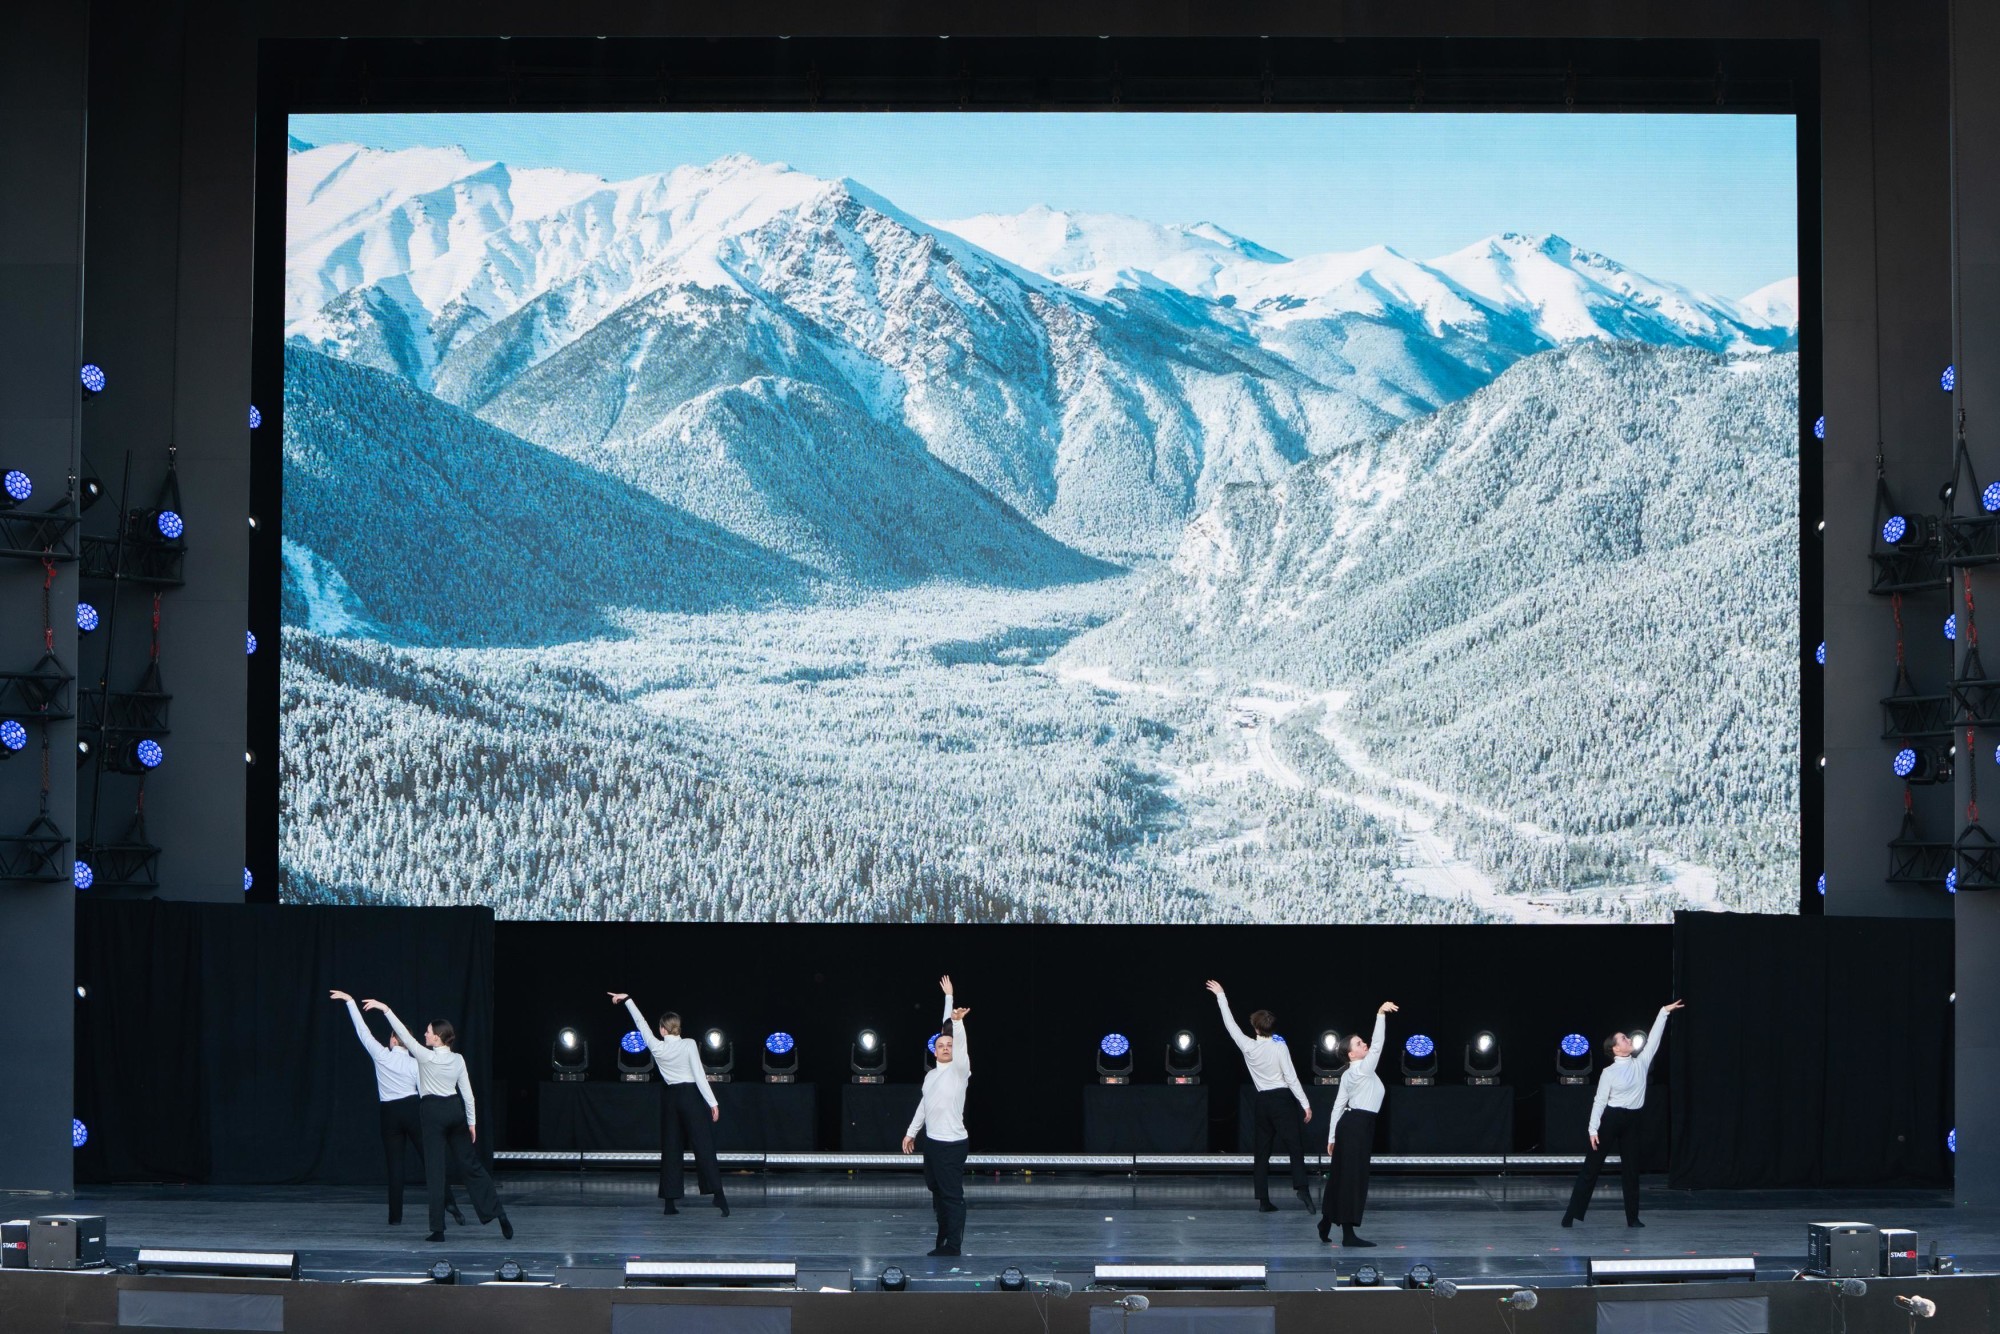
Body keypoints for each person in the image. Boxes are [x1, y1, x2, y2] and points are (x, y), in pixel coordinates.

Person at [361, 999, 512, 1243]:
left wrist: (385, 1008)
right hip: (455, 1110)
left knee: (435, 1169)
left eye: (428, 1032)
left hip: (433, 1112)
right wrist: (471, 1123)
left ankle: (438, 1230)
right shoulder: (458, 1059)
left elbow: (401, 1033)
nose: (424, 1034)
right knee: (471, 1166)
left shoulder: (424, 1056)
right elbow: (468, 1094)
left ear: (437, 1038)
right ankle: (498, 1213)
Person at [329, 989, 464, 1228]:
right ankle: (449, 1202)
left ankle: (395, 1217)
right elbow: (425, 1091)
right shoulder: (415, 1063)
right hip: (413, 1109)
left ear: (392, 1040)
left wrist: (350, 1002)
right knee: (430, 1160)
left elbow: (363, 1032)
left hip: (389, 1113)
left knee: (395, 1166)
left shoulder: (381, 1055)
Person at [1562, 1000, 1685, 1229]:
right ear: (1616, 1048)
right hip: (1611, 1120)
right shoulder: (1609, 1072)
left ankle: (1633, 1218)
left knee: (1631, 1171)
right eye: (1623, 1038)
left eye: (1627, 1037)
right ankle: (1571, 1214)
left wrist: (1663, 1012)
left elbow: (1654, 1039)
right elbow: (1599, 1101)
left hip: (1633, 1121)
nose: (1628, 1039)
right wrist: (1592, 1129)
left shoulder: (1641, 1063)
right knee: (1592, 1168)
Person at [610, 992, 728, 1217]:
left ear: (663, 1029)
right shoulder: (689, 1044)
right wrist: (712, 1102)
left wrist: (628, 1000)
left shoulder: (657, 1047)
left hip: (671, 1098)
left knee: (671, 1148)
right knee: (703, 1145)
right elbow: (699, 1075)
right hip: (690, 1096)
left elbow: (640, 1023)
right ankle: (719, 1197)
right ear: (678, 1028)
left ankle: (669, 1204)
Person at [1206, 980, 1314, 1212]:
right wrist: (1305, 1104)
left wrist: (1221, 996)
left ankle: (1263, 1200)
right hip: (1282, 1099)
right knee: (1294, 1147)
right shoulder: (1279, 1047)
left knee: (1262, 1151)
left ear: (1256, 1029)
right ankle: (1302, 1188)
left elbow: (1230, 1024)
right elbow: (1291, 1077)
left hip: (1263, 1101)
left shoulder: (1248, 1046)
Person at [1318, 1001, 1399, 1247]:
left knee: (1342, 1177)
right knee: (1353, 1179)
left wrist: (1332, 1137)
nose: (1364, 1044)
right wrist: (1380, 1015)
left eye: (1362, 1041)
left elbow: (1337, 1106)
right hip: (1357, 1127)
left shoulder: (1350, 1073)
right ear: (1351, 1054)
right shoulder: (1361, 1069)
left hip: (1352, 1126)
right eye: (1359, 1043)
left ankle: (1327, 1220)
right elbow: (1378, 1046)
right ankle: (1348, 1235)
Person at [902, 975, 971, 1257]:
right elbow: (924, 1105)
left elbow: (957, 1039)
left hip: (952, 1145)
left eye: (949, 1045)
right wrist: (911, 1132)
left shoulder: (959, 1071)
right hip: (932, 1144)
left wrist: (956, 1018)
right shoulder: (931, 1076)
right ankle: (942, 1238)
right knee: (937, 1192)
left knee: (951, 1196)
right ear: (934, 1050)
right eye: (940, 1045)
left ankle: (953, 1245)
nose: (945, 1047)